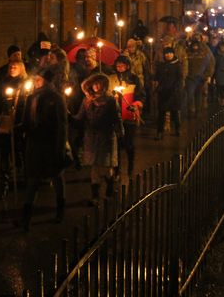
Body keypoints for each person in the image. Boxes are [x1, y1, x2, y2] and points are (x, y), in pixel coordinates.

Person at [16, 68, 69, 231]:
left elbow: (61, 125)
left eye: (38, 79)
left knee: (57, 177)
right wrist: (14, 127)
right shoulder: (31, 97)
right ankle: (26, 218)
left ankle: (60, 209)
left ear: (46, 81)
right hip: (35, 145)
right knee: (33, 180)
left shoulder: (56, 98)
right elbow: (26, 122)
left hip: (51, 144)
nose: (35, 82)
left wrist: (60, 148)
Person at [74, 73, 120, 206]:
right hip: (91, 139)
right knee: (94, 169)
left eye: (99, 83)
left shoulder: (110, 101)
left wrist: (120, 132)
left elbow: (116, 118)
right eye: (94, 83)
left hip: (106, 137)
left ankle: (109, 192)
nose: (96, 86)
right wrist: (69, 116)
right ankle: (95, 197)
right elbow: (80, 117)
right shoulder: (86, 100)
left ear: (104, 85)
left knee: (105, 168)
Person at [0, 60, 28, 200]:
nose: (12, 68)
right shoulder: (3, 83)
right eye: (10, 66)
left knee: (21, 153)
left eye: (15, 67)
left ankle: (25, 181)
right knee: (4, 155)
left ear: (21, 69)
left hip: (20, 124)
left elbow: (28, 103)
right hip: (5, 122)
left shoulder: (25, 84)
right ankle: (4, 185)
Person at [108, 56, 145, 177]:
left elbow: (141, 95)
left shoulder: (134, 79)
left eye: (122, 65)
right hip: (116, 116)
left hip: (129, 115)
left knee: (129, 143)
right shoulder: (111, 79)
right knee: (116, 144)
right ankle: (117, 169)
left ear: (127, 66)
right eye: (118, 65)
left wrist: (136, 104)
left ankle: (131, 166)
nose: (119, 68)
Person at [154, 46, 184, 139]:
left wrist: (177, 88)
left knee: (175, 112)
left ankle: (177, 129)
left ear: (173, 54)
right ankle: (160, 132)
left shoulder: (177, 65)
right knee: (161, 113)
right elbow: (157, 77)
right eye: (166, 53)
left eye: (170, 53)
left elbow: (180, 78)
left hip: (174, 92)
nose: (168, 55)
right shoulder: (161, 65)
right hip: (163, 92)